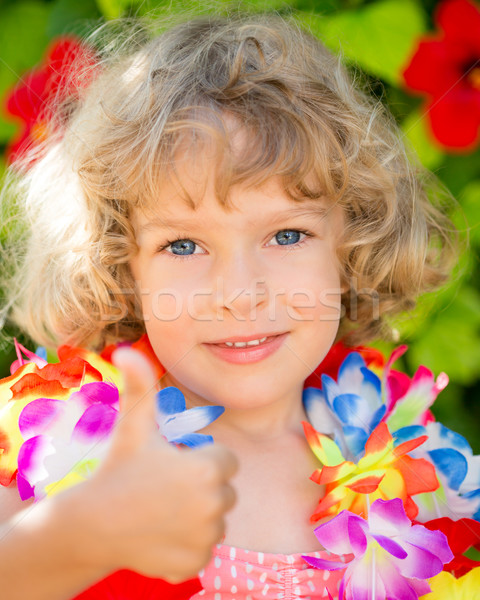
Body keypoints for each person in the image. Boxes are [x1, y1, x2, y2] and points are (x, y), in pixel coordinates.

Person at [0, 12, 453, 600]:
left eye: (287, 235)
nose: (240, 292)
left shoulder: (405, 458)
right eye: (183, 245)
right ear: (121, 266)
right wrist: (80, 533)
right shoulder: (65, 449)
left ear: (351, 243)